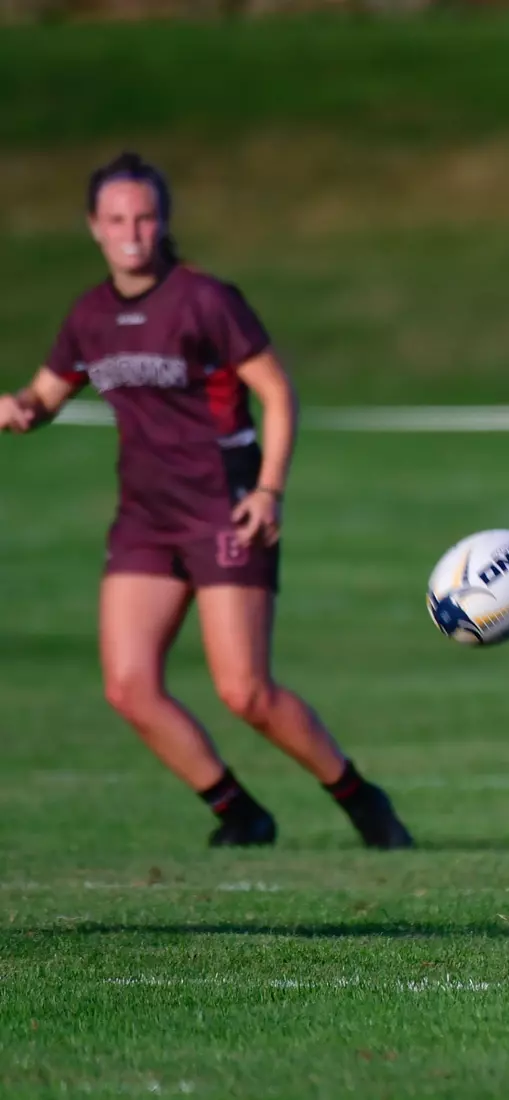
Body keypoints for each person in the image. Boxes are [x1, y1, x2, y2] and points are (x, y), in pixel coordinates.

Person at [0, 152, 413, 850]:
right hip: (144, 520)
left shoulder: (205, 301)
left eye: (145, 216)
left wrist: (271, 489)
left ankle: (361, 798)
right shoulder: (89, 316)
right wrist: (18, 407)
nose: (132, 230)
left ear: (163, 222)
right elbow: (46, 395)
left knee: (245, 692)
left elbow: (276, 392)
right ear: (93, 227)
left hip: (225, 509)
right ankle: (239, 814)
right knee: (129, 688)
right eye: (116, 219)